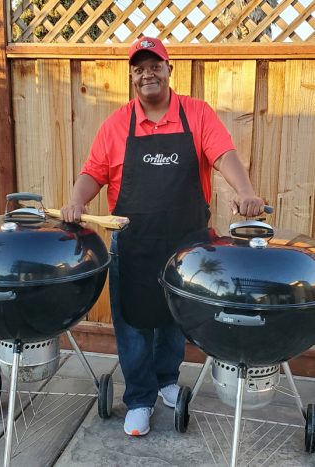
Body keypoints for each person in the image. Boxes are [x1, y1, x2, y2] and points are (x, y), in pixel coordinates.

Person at [61, 36, 264, 436]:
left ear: (169, 70)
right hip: (133, 242)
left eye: (155, 65)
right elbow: (93, 172)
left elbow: (223, 154)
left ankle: (167, 381)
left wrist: (245, 192)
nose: (146, 73)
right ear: (132, 76)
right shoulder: (117, 124)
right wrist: (75, 202)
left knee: (174, 318)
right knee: (133, 321)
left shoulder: (197, 113)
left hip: (186, 243)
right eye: (139, 68)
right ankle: (139, 398)